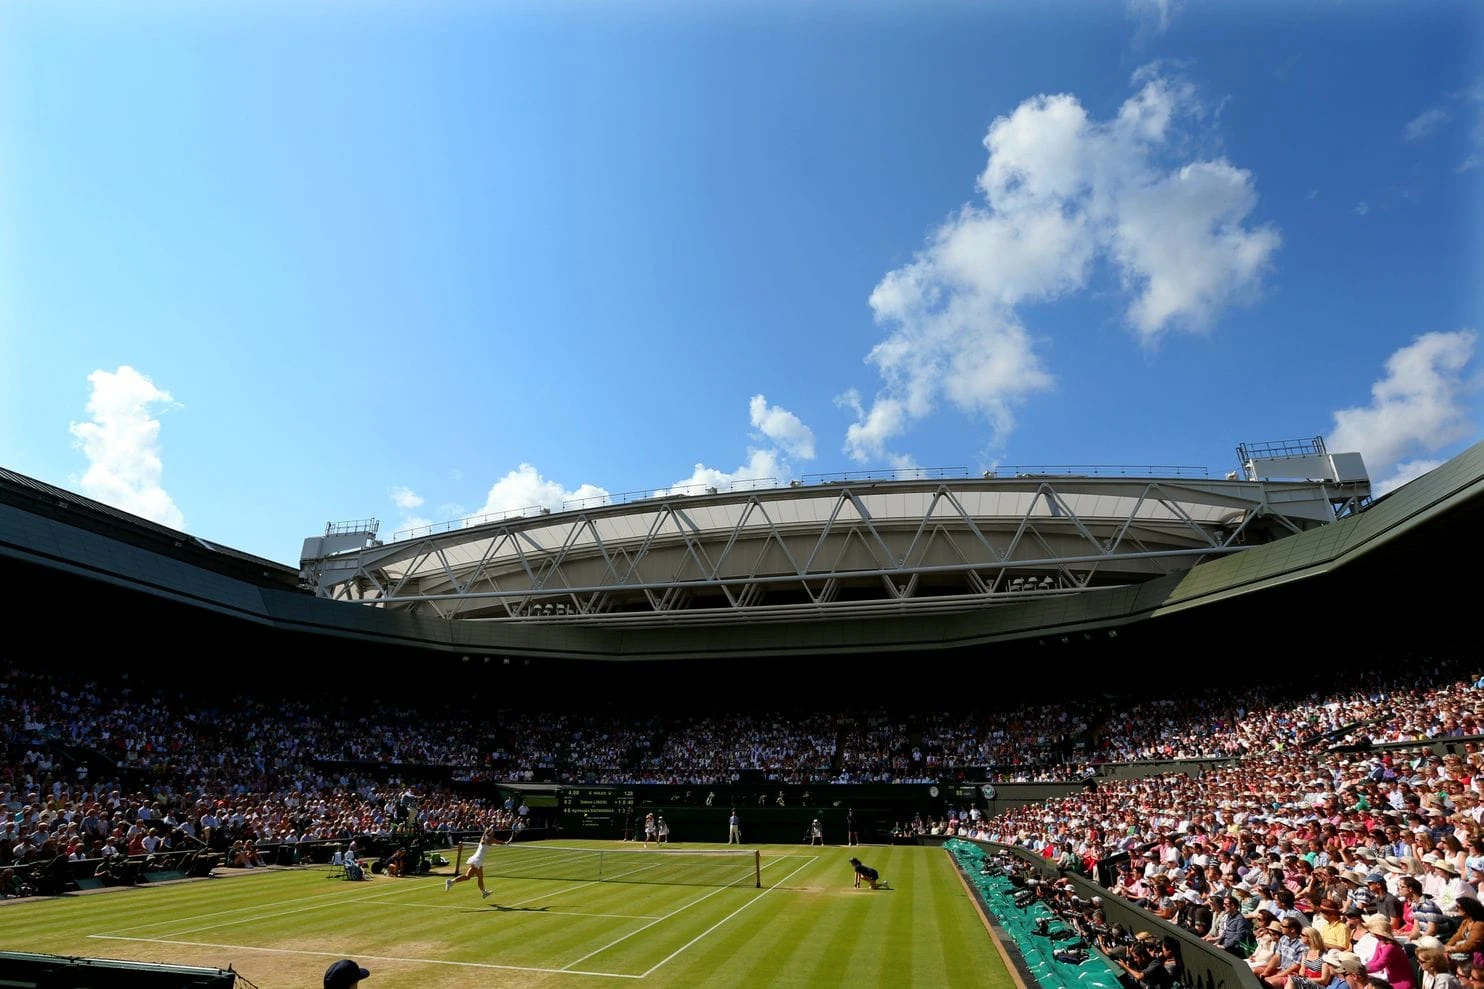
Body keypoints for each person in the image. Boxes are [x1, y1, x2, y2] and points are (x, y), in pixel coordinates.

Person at [446, 825, 501, 899]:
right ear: (490, 834)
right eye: (492, 832)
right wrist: (506, 842)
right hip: (477, 860)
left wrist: (487, 831)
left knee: (480, 877)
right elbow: (499, 842)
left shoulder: (483, 837)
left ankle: (484, 892)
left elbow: (488, 837)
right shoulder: (491, 839)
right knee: (468, 876)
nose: (493, 833)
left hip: (478, 860)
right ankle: (451, 882)